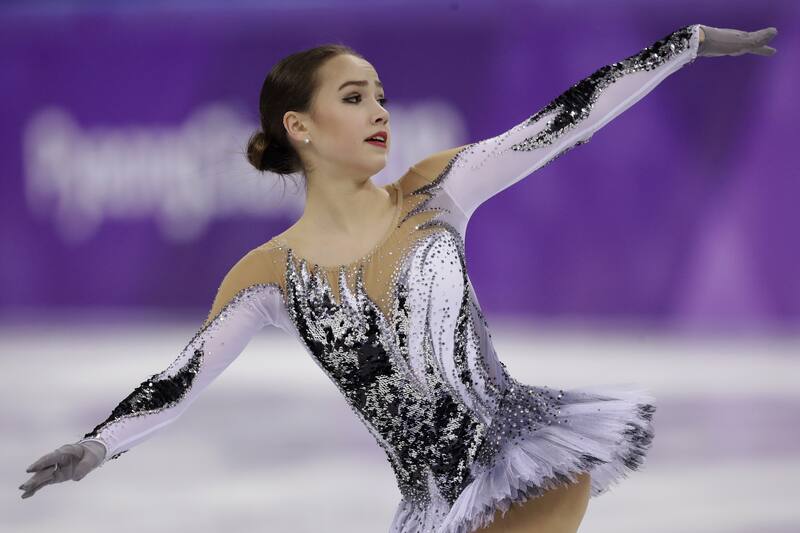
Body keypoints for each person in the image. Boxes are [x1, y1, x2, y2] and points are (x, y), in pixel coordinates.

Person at [20, 23, 777, 533]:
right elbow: (184, 375)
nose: (379, 109)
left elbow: (562, 120)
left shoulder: (435, 189)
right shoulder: (268, 274)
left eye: (380, 94)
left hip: (525, 467)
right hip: (434, 507)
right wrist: (98, 445)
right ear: (301, 127)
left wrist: (683, 46)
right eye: (354, 98)